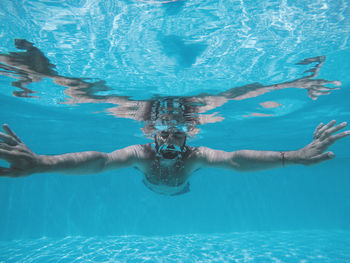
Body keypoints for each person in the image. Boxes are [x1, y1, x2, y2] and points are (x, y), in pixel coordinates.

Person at [0, 121, 349, 195]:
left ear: (188, 136)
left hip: (183, 189)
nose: (169, 139)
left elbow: (236, 160)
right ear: (152, 134)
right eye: (164, 133)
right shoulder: (141, 153)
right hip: (149, 184)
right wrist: (43, 163)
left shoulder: (196, 156)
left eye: (177, 133)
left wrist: (294, 157)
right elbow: (102, 161)